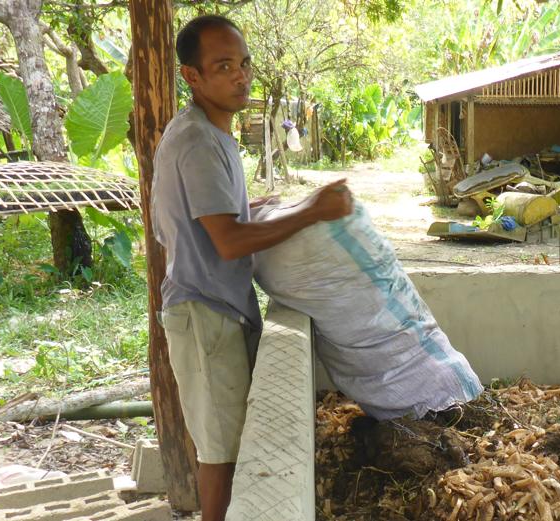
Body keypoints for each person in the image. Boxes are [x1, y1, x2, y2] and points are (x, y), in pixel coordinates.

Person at [150, 14, 352, 521]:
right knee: (220, 453)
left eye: (243, 64)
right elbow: (229, 243)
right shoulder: (197, 142)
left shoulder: (209, 133)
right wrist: (313, 211)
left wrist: (245, 207)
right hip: (205, 315)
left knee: (229, 442)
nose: (241, 76)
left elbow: (186, 221)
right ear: (192, 77)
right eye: (223, 66)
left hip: (217, 309)